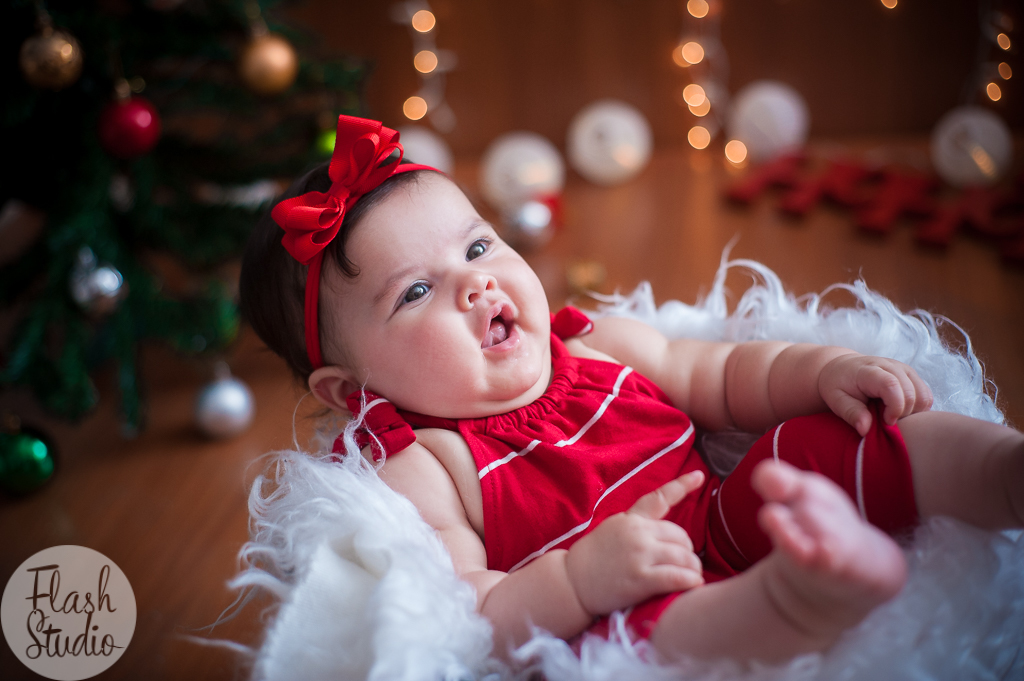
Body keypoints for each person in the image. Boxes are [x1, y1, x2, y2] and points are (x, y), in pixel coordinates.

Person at [240, 115, 1024, 665]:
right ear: (350, 390)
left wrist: (821, 370)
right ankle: (804, 600)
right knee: (661, 635)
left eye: (479, 245)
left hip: (723, 514)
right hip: (623, 607)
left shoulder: (592, 343)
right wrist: (580, 579)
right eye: (415, 292)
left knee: (830, 438)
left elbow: (722, 374)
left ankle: (1000, 473)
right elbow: (471, 611)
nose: (476, 285)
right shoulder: (427, 462)